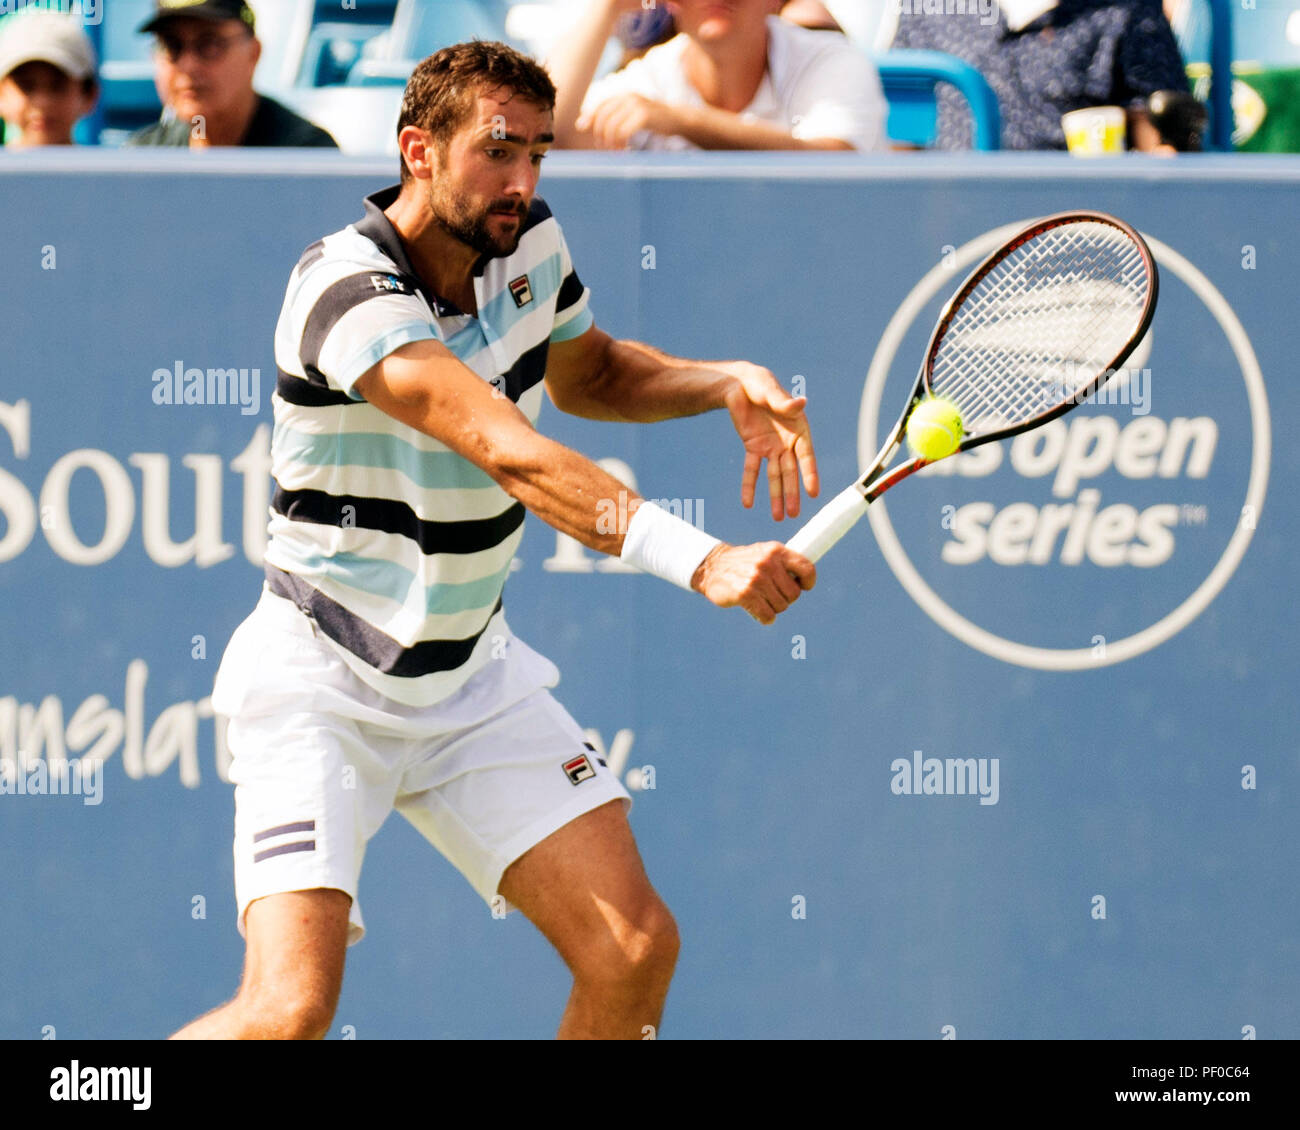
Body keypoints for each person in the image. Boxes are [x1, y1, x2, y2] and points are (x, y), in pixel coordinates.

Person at [173, 40, 818, 1041]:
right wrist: (701, 558)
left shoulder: (530, 240)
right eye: (498, 151)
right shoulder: (342, 289)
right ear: (418, 150)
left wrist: (718, 377)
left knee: (633, 947)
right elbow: (508, 449)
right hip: (321, 680)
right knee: (288, 1010)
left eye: (540, 155)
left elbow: (587, 372)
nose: (522, 181)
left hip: (470, 675)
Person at [549, 0, 887, 151]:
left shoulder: (830, 60)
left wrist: (683, 121)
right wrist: (607, 6)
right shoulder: (651, 79)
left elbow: (833, 163)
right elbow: (549, 135)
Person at [890, 0, 1190, 152]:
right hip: (956, 229)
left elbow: (1159, 148)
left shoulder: (1132, 11)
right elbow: (899, 140)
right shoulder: (927, 7)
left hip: (1081, 237)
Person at [126, 0, 337, 149]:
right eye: (171, 46)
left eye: (209, 45)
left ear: (253, 54)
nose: (188, 65)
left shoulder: (305, 159)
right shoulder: (144, 157)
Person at [0, 8, 98, 149]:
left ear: (89, 95)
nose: (42, 103)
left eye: (57, 86)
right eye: (26, 86)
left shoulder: (112, 170)